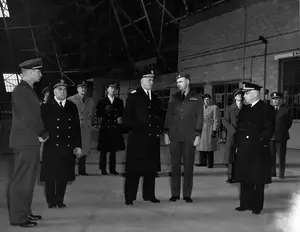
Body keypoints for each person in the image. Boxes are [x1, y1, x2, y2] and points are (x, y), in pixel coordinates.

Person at [8, 58, 48, 228]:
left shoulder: (27, 90)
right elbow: (29, 117)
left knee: (28, 180)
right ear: (29, 72)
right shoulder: (21, 91)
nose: (41, 74)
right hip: (25, 140)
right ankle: (18, 217)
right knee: (22, 180)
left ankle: (25, 211)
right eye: (38, 71)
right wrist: (43, 132)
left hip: (28, 141)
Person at [233, 82, 275, 215]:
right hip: (244, 148)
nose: (244, 96)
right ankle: (245, 204)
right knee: (245, 177)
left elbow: (268, 130)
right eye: (244, 93)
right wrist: (237, 145)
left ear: (255, 93)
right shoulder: (245, 109)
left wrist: (259, 142)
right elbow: (239, 129)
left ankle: (257, 206)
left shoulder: (266, 108)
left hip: (257, 149)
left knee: (257, 178)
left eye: (246, 93)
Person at [40, 79, 82, 208]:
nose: (62, 91)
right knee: (51, 176)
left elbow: (76, 127)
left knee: (63, 175)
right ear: (54, 92)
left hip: (67, 145)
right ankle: (51, 201)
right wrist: (42, 135)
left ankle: (59, 200)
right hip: (52, 145)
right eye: (59, 89)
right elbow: (40, 124)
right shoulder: (46, 106)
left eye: (64, 89)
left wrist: (78, 145)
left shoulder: (71, 106)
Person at [123, 70, 163, 206]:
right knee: (134, 169)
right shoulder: (134, 96)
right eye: (148, 79)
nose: (151, 82)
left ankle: (149, 195)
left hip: (152, 139)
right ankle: (129, 197)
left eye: (152, 80)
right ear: (141, 81)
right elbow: (127, 118)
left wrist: (159, 129)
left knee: (150, 168)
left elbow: (159, 117)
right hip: (138, 139)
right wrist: (138, 128)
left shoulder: (156, 98)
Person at [164, 73, 203, 203]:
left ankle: (187, 194)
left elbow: (200, 117)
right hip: (174, 136)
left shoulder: (197, 97)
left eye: (180, 81)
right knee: (175, 166)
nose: (178, 84)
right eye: (177, 82)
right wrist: (166, 133)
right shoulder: (174, 97)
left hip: (189, 137)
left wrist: (197, 135)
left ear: (188, 81)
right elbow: (168, 116)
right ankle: (175, 193)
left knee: (188, 166)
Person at [96, 82, 125, 175]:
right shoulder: (102, 101)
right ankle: (103, 169)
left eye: (114, 88)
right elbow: (98, 114)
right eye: (111, 88)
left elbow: (122, 112)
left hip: (115, 127)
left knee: (114, 150)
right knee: (104, 150)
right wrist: (105, 111)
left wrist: (121, 118)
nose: (113, 90)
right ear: (107, 90)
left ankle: (113, 169)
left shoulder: (119, 101)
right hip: (105, 128)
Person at [68, 80, 94, 175]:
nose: (83, 89)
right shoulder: (71, 99)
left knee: (84, 148)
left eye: (85, 88)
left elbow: (92, 114)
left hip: (86, 127)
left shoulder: (90, 100)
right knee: (74, 147)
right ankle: (70, 170)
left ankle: (82, 170)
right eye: (81, 87)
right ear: (77, 89)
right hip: (76, 126)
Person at [222, 88, 244, 183]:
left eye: (241, 94)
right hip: (232, 135)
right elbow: (225, 121)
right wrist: (232, 130)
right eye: (238, 95)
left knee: (242, 156)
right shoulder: (229, 108)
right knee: (231, 157)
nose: (240, 96)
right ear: (235, 97)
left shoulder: (246, 108)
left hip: (243, 135)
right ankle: (230, 176)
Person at [269, 92, 293, 179]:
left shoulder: (286, 110)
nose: (275, 101)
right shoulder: (270, 110)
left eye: (277, 99)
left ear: (281, 100)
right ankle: (272, 173)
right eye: (274, 99)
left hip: (281, 137)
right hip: (271, 137)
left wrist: (282, 130)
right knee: (271, 157)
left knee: (281, 157)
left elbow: (289, 123)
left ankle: (281, 174)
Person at [196, 94, 220, 168]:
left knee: (210, 147)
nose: (207, 101)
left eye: (208, 99)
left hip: (210, 128)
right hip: (202, 129)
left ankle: (210, 163)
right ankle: (202, 162)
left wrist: (214, 130)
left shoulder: (214, 107)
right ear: (203, 100)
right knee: (201, 146)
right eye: (205, 99)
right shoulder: (200, 108)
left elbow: (216, 119)